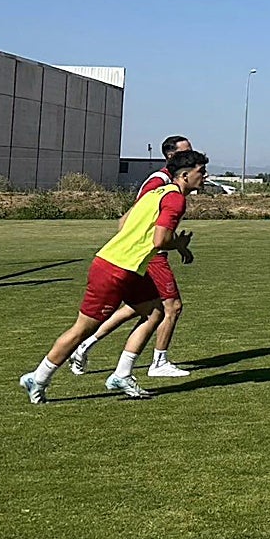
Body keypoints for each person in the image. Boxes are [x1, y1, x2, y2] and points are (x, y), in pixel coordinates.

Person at [18, 150, 208, 404]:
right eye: (200, 171)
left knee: (155, 311)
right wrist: (179, 245)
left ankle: (122, 374)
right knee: (81, 330)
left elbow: (125, 221)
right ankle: (38, 377)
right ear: (184, 175)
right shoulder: (175, 199)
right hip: (115, 269)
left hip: (129, 267)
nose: (205, 176)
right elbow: (160, 240)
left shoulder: (157, 192)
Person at [69, 135, 194, 378]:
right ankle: (158, 362)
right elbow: (132, 216)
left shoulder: (173, 183)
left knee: (138, 308)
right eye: (185, 152)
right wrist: (139, 245)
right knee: (172, 306)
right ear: (171, 156)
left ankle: (86, 345)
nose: (192, 156)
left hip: (150, 251)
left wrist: (178, 245)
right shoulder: (160, 181)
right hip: (149, 254)